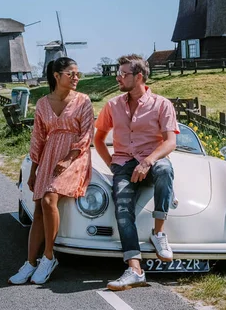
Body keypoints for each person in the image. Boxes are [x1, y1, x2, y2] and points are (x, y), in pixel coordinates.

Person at [94, 54, 179, 291]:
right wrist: (112, 164)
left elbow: (170, 142)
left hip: (151, 159)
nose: (118, 77)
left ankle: (159, 233)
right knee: (122, 206)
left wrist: (148, 161)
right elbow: (98, 138)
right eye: (118, 74)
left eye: (123, 74)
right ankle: (134, 269)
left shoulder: (162, 104)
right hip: (123, 163)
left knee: (164, 170)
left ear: (138, 77)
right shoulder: (112, 105)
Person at [9, 57, 94, 285]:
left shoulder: (83, 101)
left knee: (48, 200)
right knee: (38, 207)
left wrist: (68, 158)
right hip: (48, 156)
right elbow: (38, 138)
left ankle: (49, 257)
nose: (76, 78)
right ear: (56, 76)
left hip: (75, 157)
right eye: (71, 74)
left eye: (78, 74)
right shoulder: (43, 103)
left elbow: (86, 136)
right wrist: (33, 170)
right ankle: (30, 263)